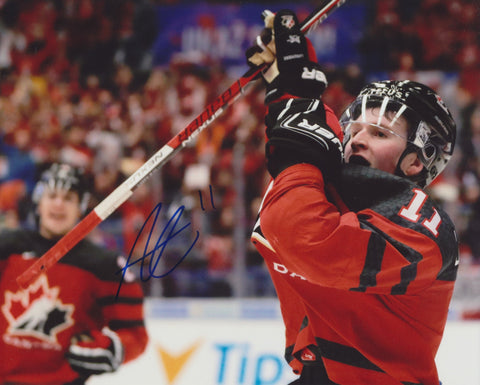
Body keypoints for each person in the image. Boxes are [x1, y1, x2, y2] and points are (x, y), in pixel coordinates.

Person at [247, 10, 458, 385]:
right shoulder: (325, 194)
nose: (356, 139)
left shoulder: (422, 225)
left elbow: (307, 239)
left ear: (414, 161)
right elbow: (309, 166)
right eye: (353, 128)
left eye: (379, 133)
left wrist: (298, 114)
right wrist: (291, 81)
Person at [0, 163, 148, 385]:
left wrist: (113, 349)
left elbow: (135, 335)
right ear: (38, 203)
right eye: (52, 195)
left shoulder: (104, 265)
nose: (59, 204)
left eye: (68, 198)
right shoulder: (6, 247)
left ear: (80, 207)